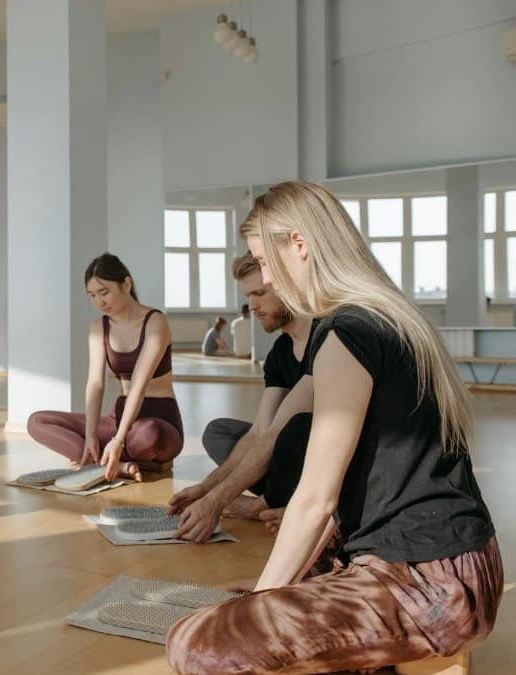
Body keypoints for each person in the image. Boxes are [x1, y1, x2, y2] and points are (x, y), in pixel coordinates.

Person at [166, 182, 501, 674]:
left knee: (194, 643)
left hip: (430, 585)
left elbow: (316, 499)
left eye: (265, 260)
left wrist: (265, 599)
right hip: (457, 566)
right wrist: (282, 586)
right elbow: (338, 489)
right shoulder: (385, 317)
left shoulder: (347, 332)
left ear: (299, 244)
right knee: (254, 606)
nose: (267, 278)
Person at [168, 253, 315, 542]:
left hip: (328, 460)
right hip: (288, 459)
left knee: (294, 430)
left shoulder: (326, 337)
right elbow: (261, 430)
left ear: (290, 285)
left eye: (259, 293)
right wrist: (205, 489)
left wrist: (217, 501)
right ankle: (283, 500)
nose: (252, 306)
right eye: (249, 296)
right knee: (219, 432)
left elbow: (275, 434)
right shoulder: (280, 351)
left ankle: (264, 504)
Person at [27, 254, 183, 483]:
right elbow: (95, 384)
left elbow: (138, 386)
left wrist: (118, 440)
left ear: (126, 284)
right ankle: (114, 463)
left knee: (149, 433)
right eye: (92, 295)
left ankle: (105, 457)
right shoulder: (99, 327)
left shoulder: (155, 322)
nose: (99, 302)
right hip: (118, 418)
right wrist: (91, 435)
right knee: (37, 422)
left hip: (158, 420)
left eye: (104, 292)